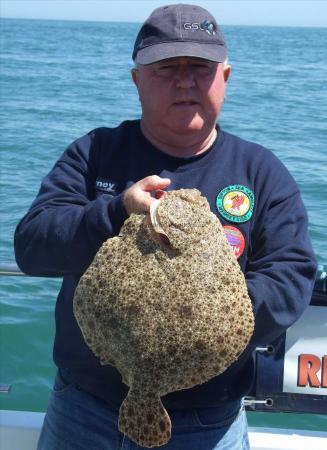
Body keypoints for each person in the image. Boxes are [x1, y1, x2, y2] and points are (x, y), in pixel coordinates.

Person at [14, 4, 317, 450]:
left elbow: (292, 277)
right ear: (137, 81)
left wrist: (213, 311)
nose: (184, 81)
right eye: (165, 68)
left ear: (225, 78)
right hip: (82, 410)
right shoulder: (94, 152)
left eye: (199, 67)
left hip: (206, 423)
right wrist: (115, 211)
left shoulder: (262, 172)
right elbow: (32, 246)